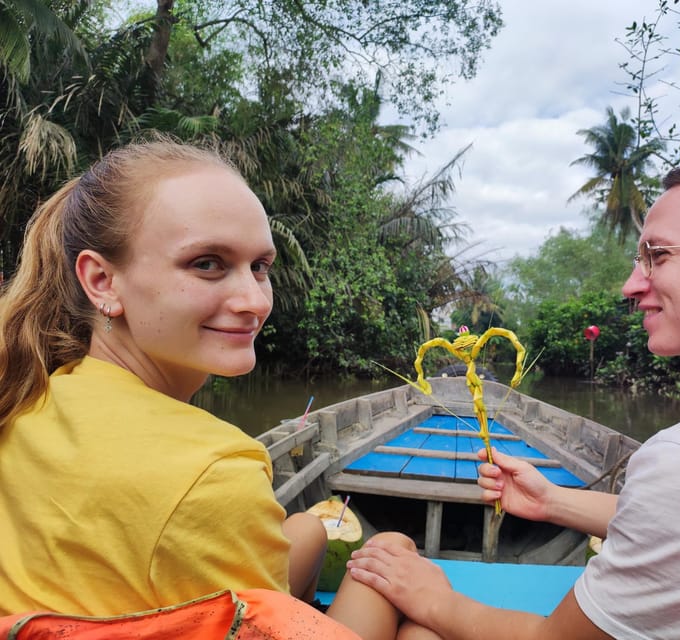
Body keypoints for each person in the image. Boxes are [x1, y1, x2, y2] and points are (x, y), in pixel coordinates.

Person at [347, 157, 680, 639]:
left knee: (419, 628)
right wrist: (551, 500)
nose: (631, 285)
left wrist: (432, 596)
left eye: (657, 256)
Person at [0, 139, 410, 640]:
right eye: (207, 264)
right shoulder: (215, 472)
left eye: (260, 266)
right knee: (393, 557)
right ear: (103, 280)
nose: (254, 301)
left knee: (306, 528)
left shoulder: (25, 394)